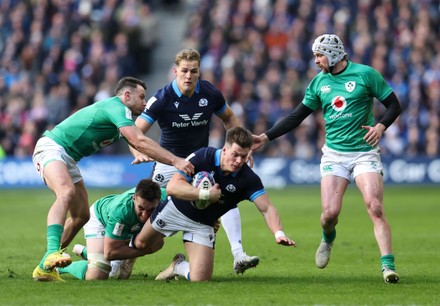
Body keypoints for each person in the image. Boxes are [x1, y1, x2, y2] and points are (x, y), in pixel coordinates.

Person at [252, 34, 402, 283]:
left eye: (319, 55)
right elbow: (296, 116)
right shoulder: (318, 83)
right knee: (330, 214)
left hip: (364, 153)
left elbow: (394, 105)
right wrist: (266, 137)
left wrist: (381, 127)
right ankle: (327, 238)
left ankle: (388, 266)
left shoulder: (366, 74)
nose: (316, 61)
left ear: (333, 54)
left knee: (375, 207)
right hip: (334, 154)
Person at [32, 76, 194, 282]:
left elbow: (134, 140)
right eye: (142, 97)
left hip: (70, 158)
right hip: (52, 147)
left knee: (81, 216)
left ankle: (45, 267)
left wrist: (137, 153)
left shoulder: (123, 116)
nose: (145, 102)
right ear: (126, 95)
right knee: (66, 192)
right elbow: (138, 139)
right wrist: (175, 161)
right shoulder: (116, 107)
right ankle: (51, 253)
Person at [130, 48, 259, 274]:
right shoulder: (162, 98)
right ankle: (125, 257)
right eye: (184, 71)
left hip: (202, 164)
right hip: (169, 163)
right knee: (148, 207)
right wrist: (137, 153)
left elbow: (228, 116)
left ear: (199, 72)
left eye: (194, 71)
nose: (188, 76)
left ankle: (238, 254)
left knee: (225, 197)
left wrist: (241, 149)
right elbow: (134, 132)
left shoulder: (209, 93)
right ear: (175, 71)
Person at [133, 127, 296, 282]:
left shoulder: (248, 179)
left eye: (244, 157)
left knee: (201, 278)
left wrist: (278, 233)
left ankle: (178, 266)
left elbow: (267, 208)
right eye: (235, 154)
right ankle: (116, 260)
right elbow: (172, 187)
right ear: (224, 149)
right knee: (141, 244)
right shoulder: (204, 156)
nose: (239, 161)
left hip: (202, 224)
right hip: (175, 210)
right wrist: (205, 194)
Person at [58, 179, 165, 281]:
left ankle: (90, 252)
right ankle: (61, 266)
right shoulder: (121, 212)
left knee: (115, 271)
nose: (145, 215)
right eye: (141, 208)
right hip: (101, 219)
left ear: (159, 201)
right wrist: (145, 251)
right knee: (98, 274)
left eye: (151, 210)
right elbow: (111, 253)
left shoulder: (167, 201)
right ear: (134, 198)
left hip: (129, 228)